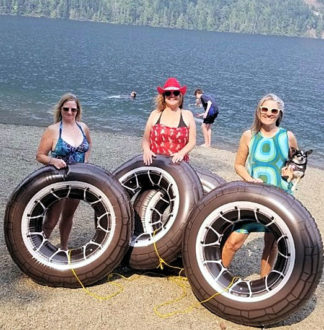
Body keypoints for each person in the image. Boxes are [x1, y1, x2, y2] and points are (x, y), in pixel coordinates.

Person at [221, 93, 298, 278]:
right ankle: (217, 276)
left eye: (273, 110)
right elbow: (238, 165)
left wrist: (292, 171)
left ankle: (264, 282)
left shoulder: (287, 136)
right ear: (258, 111)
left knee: (271, 244)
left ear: (279, 113)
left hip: (279, 197)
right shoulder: (249, 136)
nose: (268, 113)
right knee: (235, 240)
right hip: (254, 196)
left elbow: (296, 164)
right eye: (265, 109)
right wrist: (249, 179)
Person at [36, 93, 92, 250]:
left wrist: (85, 160)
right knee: (51, 219)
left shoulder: (83, 127)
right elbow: (40, 155)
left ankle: (64, 248)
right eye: (66, 109)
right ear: (60, 109)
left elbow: (88, 145)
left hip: (77, 179)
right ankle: (40, 249)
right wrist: (53, 160)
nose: (69, 113)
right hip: (58, 179)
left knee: (68, 216)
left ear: (77, 111)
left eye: (73, 110)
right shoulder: (53, 130)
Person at [143, 77, 196, 165]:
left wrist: (181, 153)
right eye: (168, 93)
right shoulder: (155, 114)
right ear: (164, 96)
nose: (172, 96)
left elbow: (192, 141)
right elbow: (145, 139)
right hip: (155, 162)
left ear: (180, 95)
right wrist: (147, 150)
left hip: (178, 164)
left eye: (175, 93)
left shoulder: (187, 115)